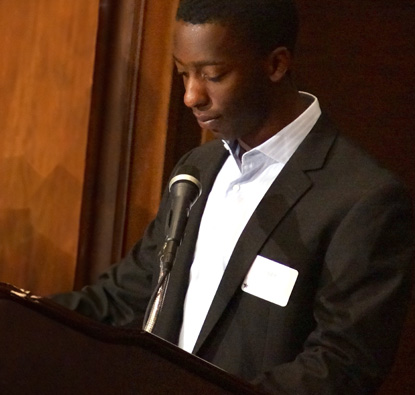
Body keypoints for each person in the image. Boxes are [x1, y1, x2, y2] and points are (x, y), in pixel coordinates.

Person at [50, 0, 415, 393]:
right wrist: (5, 318)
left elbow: (343, 364)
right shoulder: (197, 170)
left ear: (275, 64)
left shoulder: (363, 199)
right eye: (183, 73)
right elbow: (127, 297)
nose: (191, 96)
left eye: (213, 75)